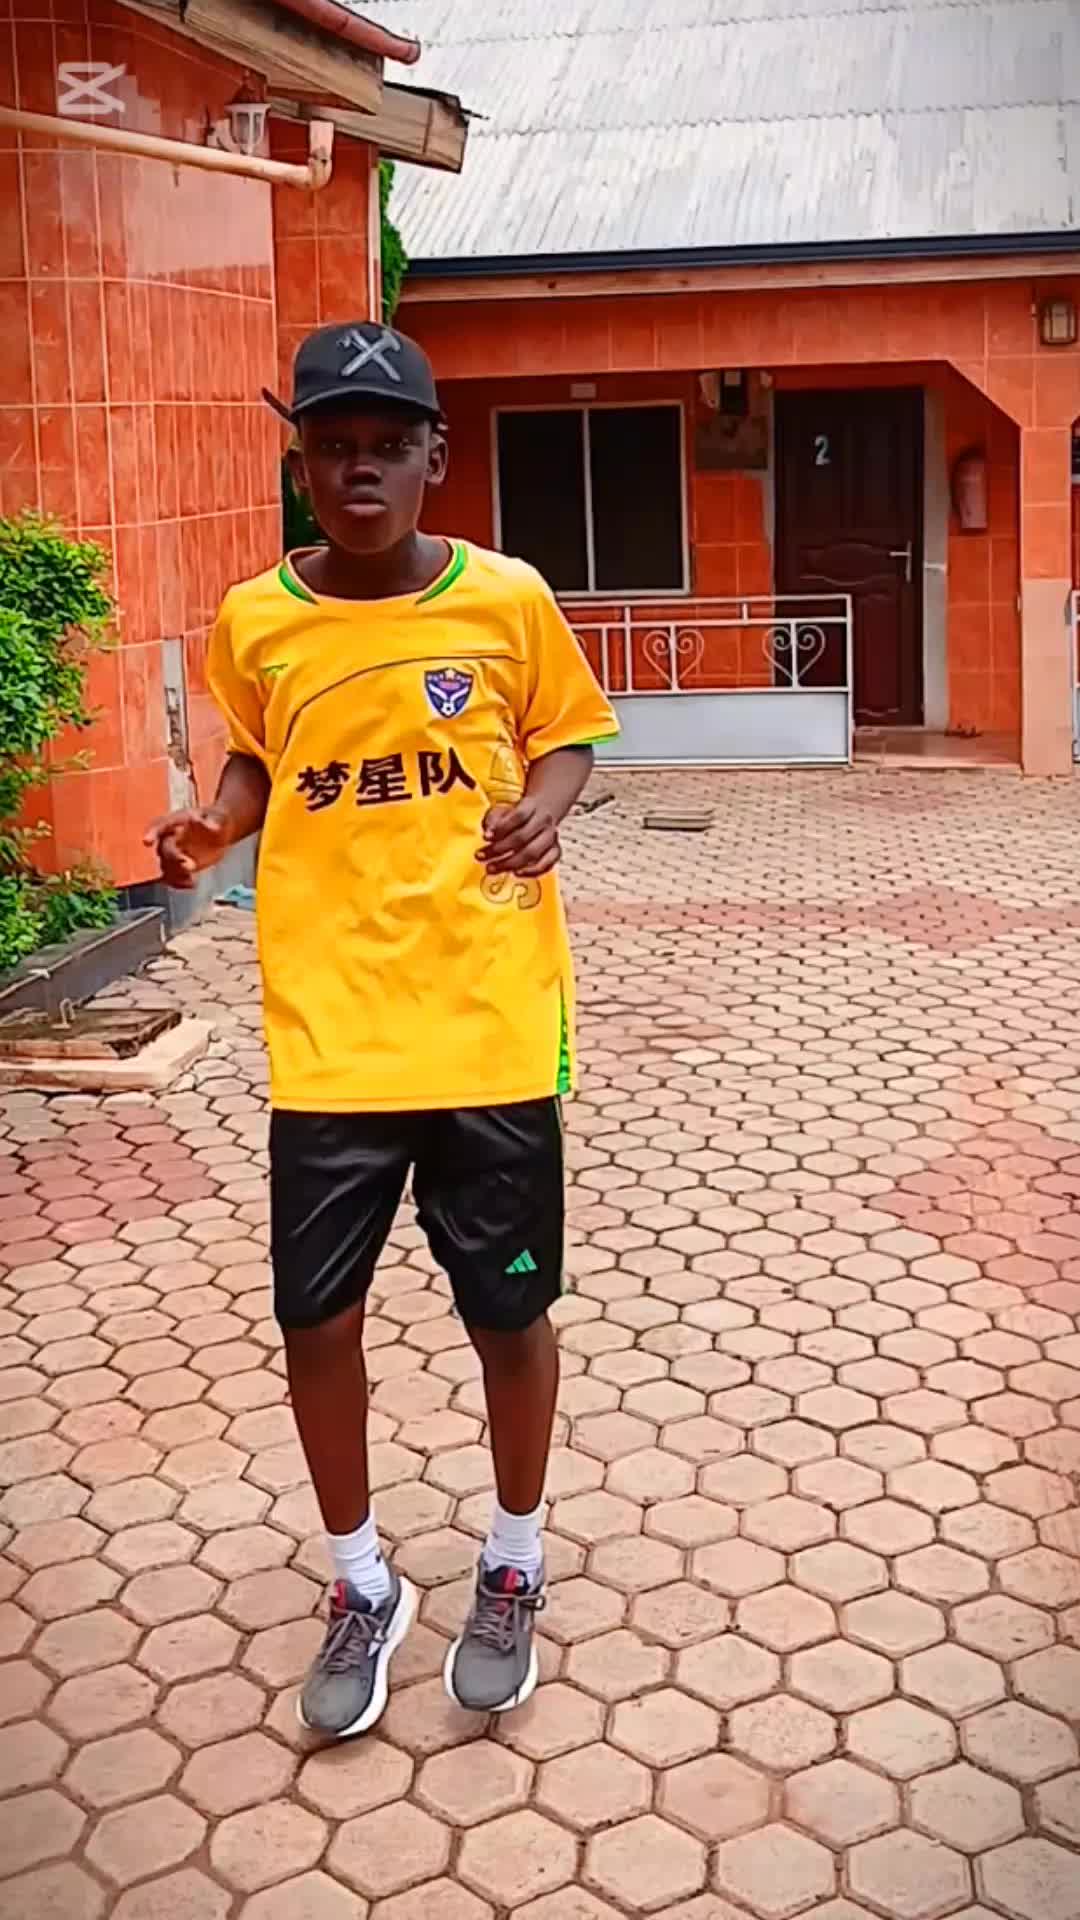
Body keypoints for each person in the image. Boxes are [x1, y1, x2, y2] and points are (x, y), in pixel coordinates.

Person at [145, 320, 617, 1740]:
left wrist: (546, 807)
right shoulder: (256, 618)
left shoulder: (508, 597)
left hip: (485, 1022)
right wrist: (214, 825)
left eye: (387, 446)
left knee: (508, 1312)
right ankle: (362, 1583)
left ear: (434, 458)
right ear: (301, 463)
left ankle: (513, 1559)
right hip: (331, 1034)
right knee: (315, 1317)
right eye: (332, 447)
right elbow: (257, 754)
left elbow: (567, 731)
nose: (360, 470)